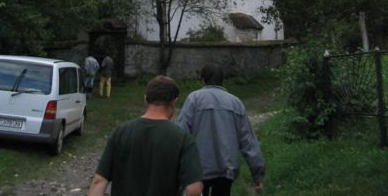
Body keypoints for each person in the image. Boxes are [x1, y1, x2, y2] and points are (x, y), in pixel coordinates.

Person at [88, 75, 203, 196]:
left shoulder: (120, 132)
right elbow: (194, 189)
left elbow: (99, 181)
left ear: (145, 99)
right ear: (174, 102)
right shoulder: (183, 139)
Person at [177, 63, 265, 195]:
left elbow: (181, 134)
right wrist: (257, 175)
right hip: (226, 170)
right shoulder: (235, 103)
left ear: (203, 79)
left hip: (198, 169)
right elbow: (248, 141)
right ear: (222, 80)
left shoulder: (193, 99)